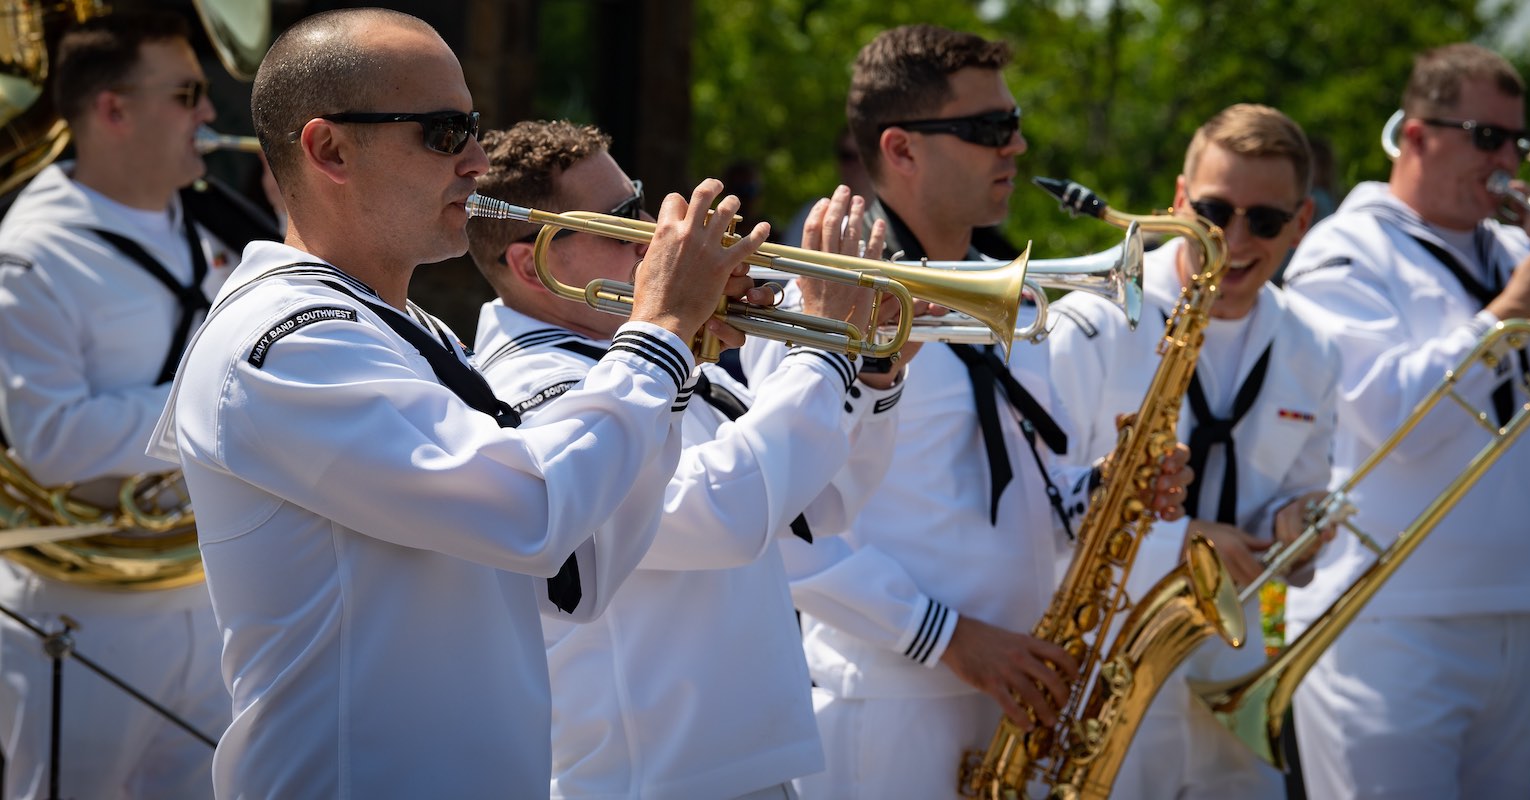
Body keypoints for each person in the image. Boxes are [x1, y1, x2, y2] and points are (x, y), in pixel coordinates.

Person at [144, 9, 764, 798]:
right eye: (444, 133)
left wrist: (674, 366)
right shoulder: (288, 340)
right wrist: (659, 332)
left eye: (472, 128)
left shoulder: (405, 328)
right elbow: (533, 509)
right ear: (330, 149)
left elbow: (579, 567)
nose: (477, 161)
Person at [754, 24, 1191, 798]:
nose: (1015, 146)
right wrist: (950, 639)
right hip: (890, 709)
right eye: (989, 128)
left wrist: (1106, 490)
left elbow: (1021, 492)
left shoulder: (1016, 296)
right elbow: (779, 529)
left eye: (1013, 123)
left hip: (1018, 693)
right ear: (901, 149)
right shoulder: (821, 303)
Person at [466, 120, 908, 800]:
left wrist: (872, 372)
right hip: (646, 782)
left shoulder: (641, 357)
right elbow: (722, 518)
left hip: (745, 767)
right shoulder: (535, 388)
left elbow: (817, 507)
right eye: (622, 220)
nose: (655, 234)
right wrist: (826, 353)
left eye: (642, 203)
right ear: (533, 264)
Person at [1283, 43, 1530, 800]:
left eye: (1518, 141)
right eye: (1487, 138)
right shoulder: (1345, 250)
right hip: (1388, 620)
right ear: (1418, 135)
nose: (1508, 162)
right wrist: (1512, 313)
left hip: (1517, 609)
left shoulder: (1518, 250)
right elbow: (1387, 416)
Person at [0, 11, 259, 798]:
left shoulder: (209, 221)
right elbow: (52, 441)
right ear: (113, 109)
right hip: (88, 613)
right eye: (186, 94)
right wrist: (226, 401)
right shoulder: (32, 255)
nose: (208, 112)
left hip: (208, 586)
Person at [1048, 103, 1339, 800]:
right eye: (1212, 211)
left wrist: (1297, 529)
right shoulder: (1094, 316)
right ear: (1179, 201)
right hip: (1100, 658)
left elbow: (1292, 500)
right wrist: (1180, 539)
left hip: (1232, 662)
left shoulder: (1315, 344)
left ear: (1301, 222)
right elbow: (1045, 496)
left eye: (1264, 221)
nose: (1233, 240)